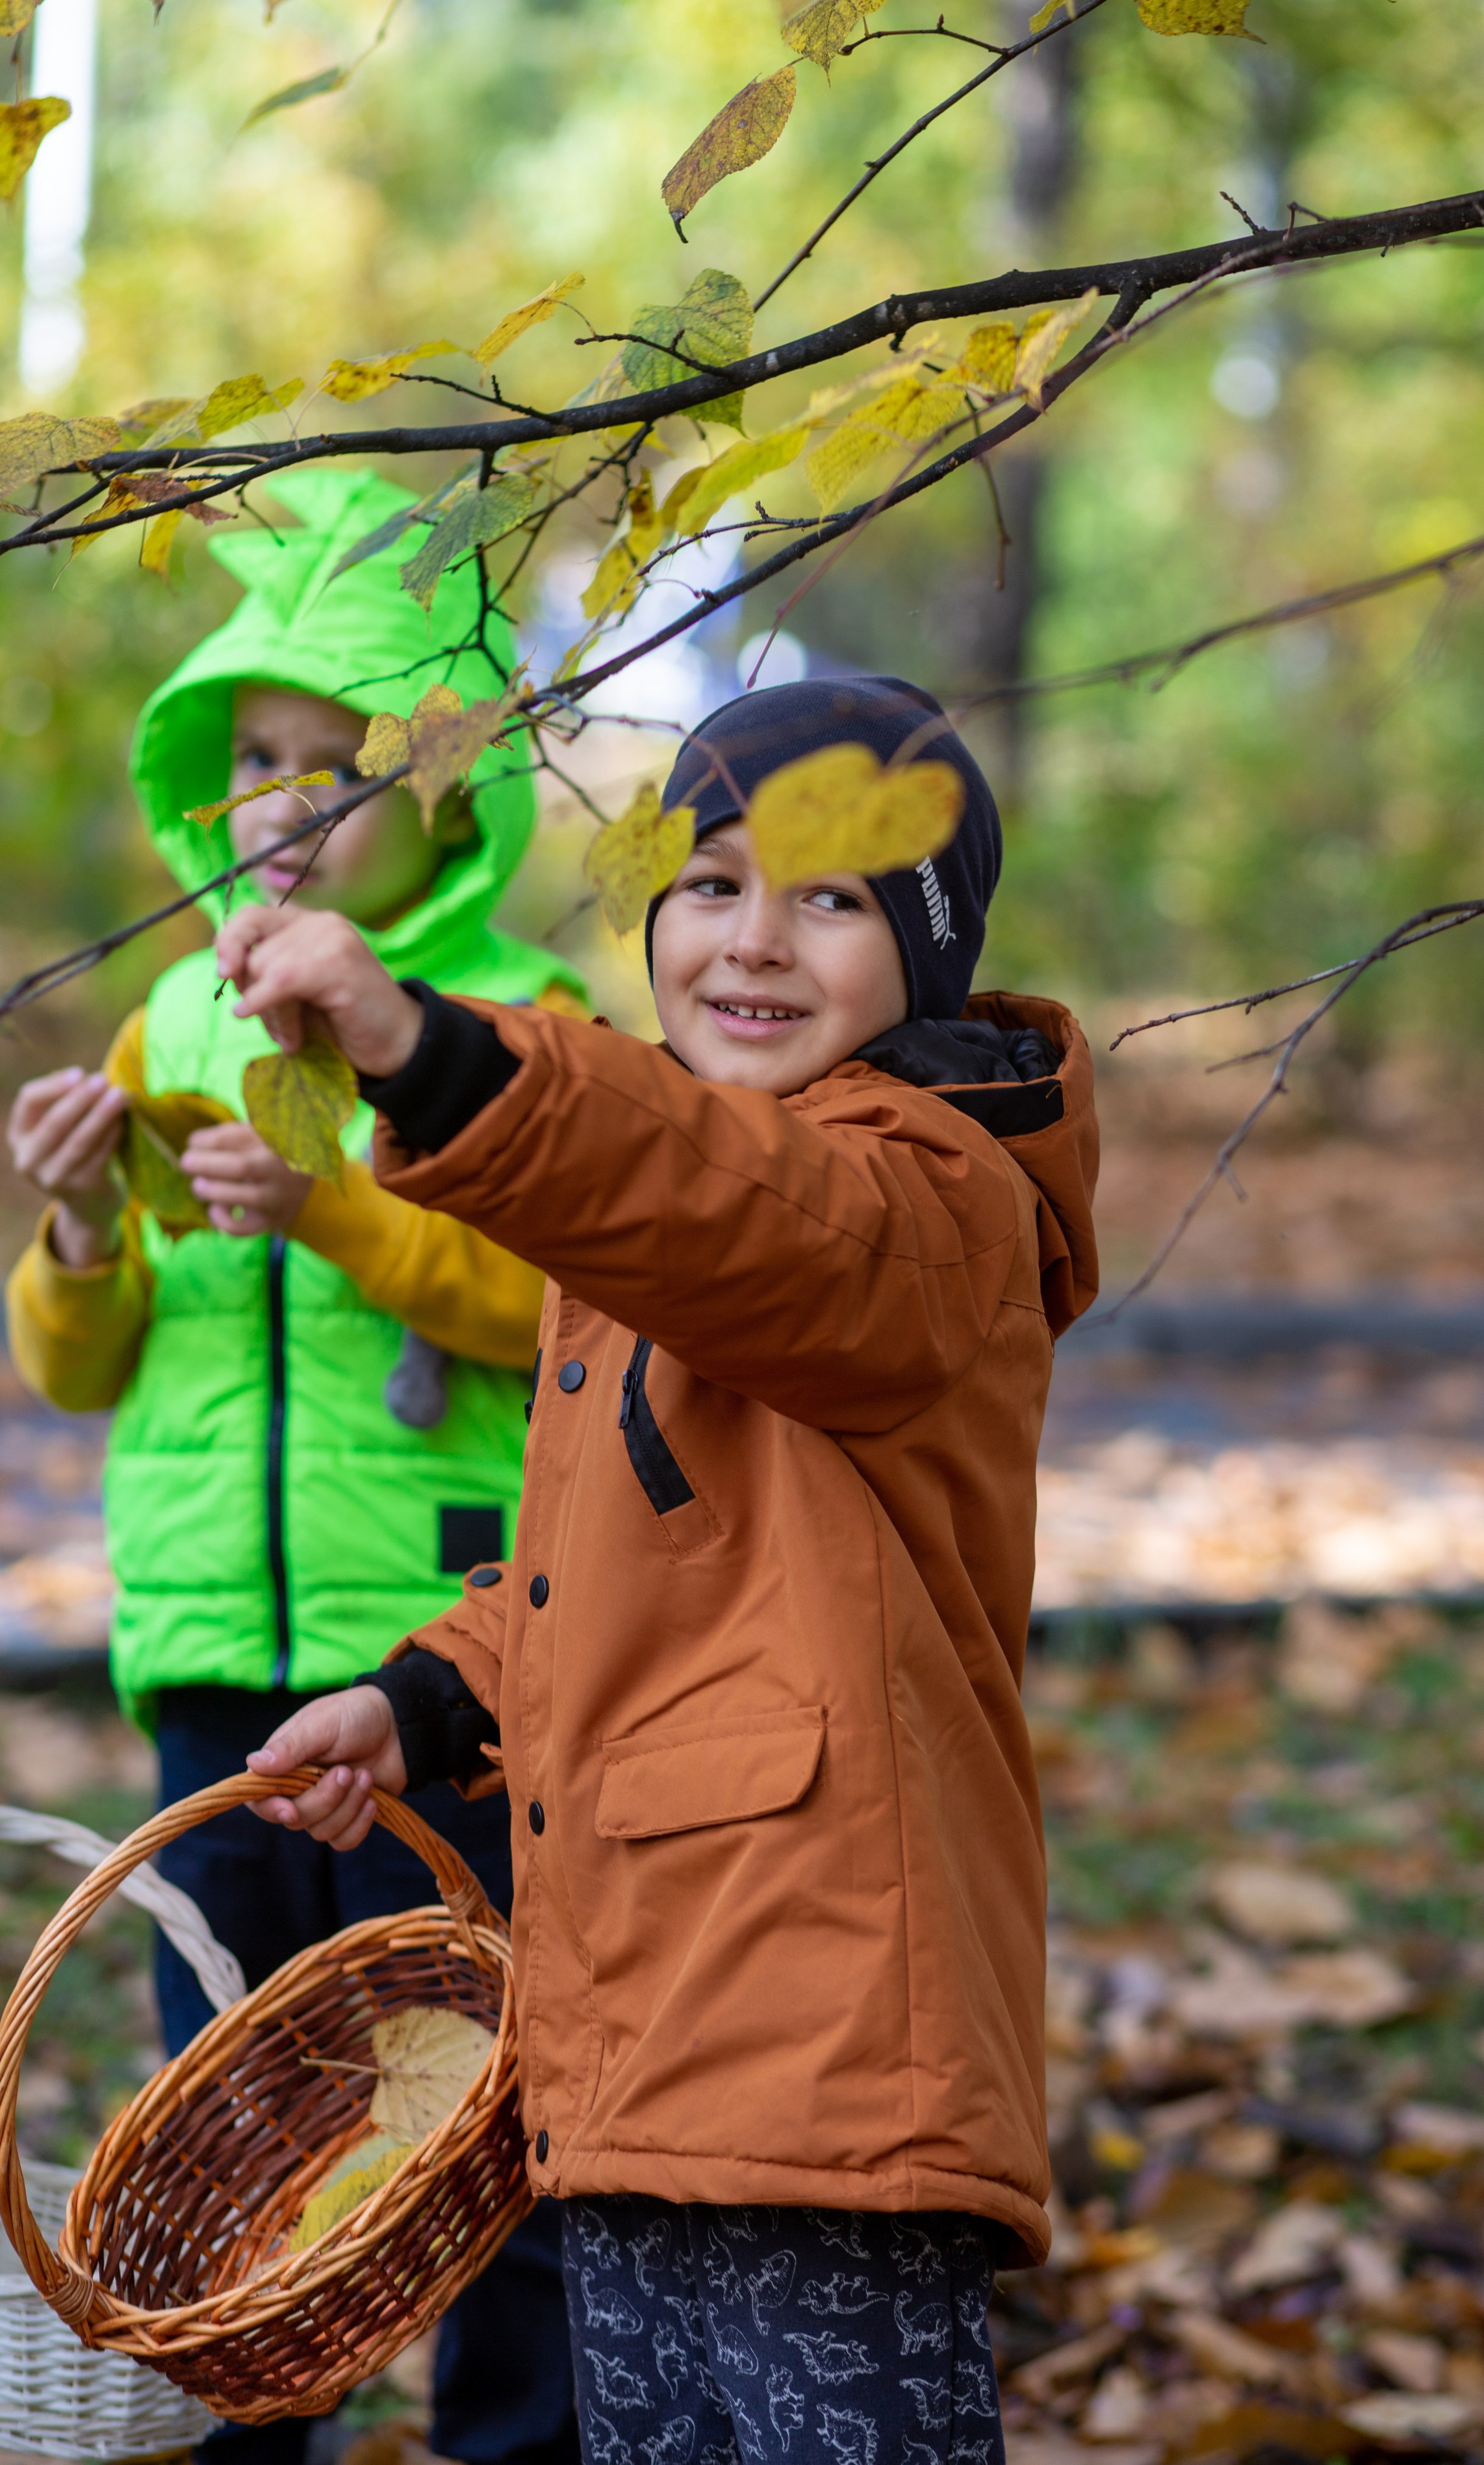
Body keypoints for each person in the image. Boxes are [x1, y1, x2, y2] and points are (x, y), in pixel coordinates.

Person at [224, 673, 1100, 2464]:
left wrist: (437, 1056)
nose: (754, 943)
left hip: (829, 2053)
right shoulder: (655, 1226)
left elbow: (745, 1214)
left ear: (924, 950)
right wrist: (424, 1700)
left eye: (833, 897)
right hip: (631, 2044)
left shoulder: (929, 1207)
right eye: (707, 884)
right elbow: (609, 1558)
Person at [3, 469, 587, 2465]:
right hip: (212, 1662)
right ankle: (248, 2443)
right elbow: (87, 1366)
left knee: (475, 2108)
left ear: (441, 790)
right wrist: (83, 1229)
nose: (279, 800)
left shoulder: (516, 1021)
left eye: (331, 764)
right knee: (233, 2134)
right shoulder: (176, 1013)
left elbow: (554, 1313)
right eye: (251, 757)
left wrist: (339, 1210)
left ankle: (515, 2444)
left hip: (441, 1668)